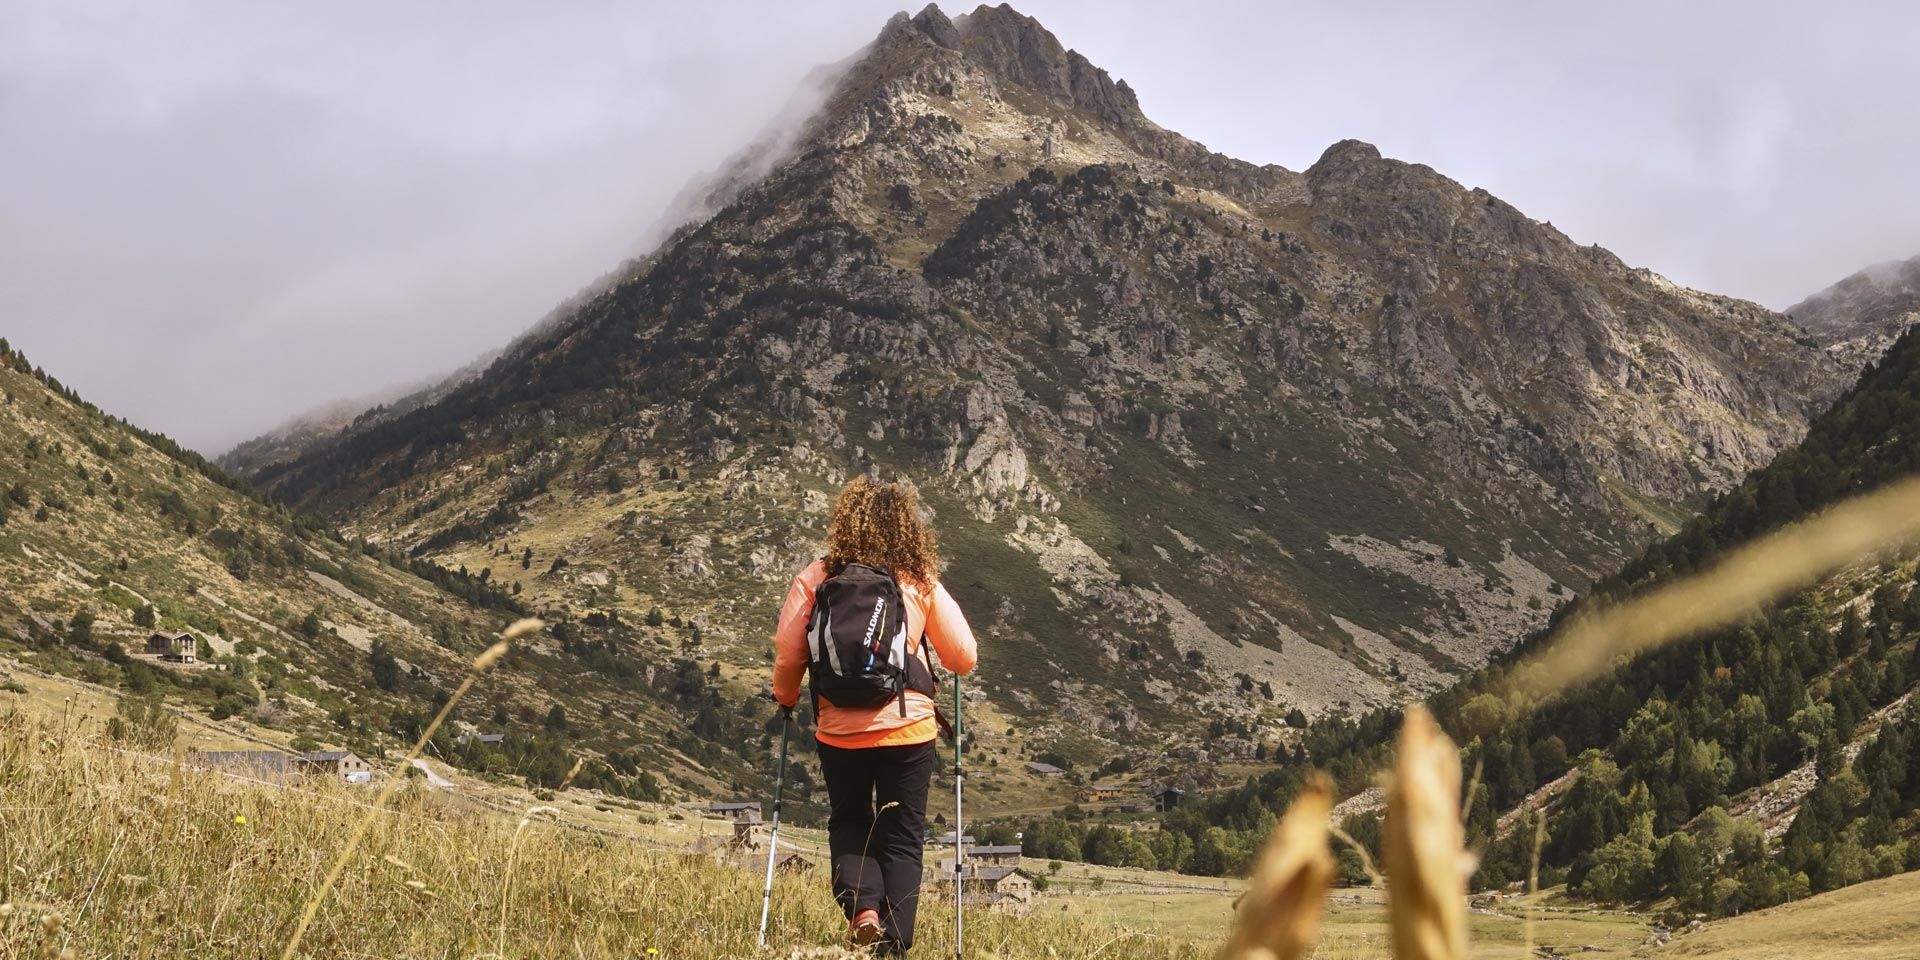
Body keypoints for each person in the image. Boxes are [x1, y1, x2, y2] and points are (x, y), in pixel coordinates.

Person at [772, 476, 977, 954]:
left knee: (849, 821)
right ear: (907, 527)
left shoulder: (817, 576)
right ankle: (894, 945)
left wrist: (785, 699)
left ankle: (863, 908)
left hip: (839, 727)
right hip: (908, 728)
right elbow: (964, 655)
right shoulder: (915, 577)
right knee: (902, 839)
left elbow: (788, 654)